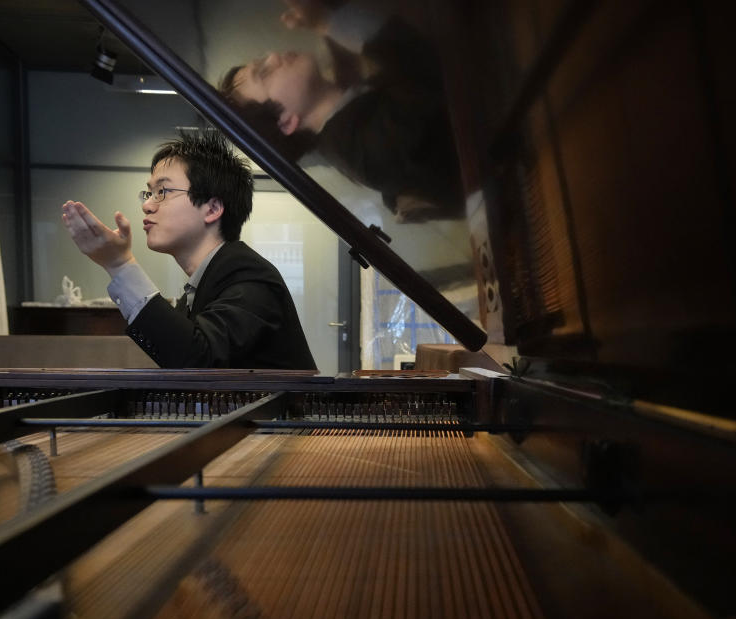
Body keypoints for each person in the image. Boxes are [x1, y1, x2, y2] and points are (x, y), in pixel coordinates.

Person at [62, 130, 316, 370]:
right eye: (148, 193)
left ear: (212, 208)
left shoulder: (249, 274)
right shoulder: (199, 287)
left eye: (162, 191)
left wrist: (120, 265)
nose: (147, 205)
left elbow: (198, 358)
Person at [218, 0, 465, 223]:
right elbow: (433, 72)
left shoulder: (349, 119)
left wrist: (326, 23)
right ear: (285, 123)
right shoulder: (360, 150)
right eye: (264, 73)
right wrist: (325, 21)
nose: (272, 57)